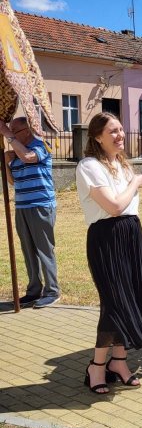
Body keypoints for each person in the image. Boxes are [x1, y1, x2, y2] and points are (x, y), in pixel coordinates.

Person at [75, 112, 142, 394]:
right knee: (114, 304)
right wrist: (137, 182)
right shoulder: (89, 166)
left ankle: (119, 362)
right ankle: (96, 366)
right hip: (106, 239)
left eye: (121, 130)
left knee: (129, 300)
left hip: (130, 236)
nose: (120, 136)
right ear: (97, 137)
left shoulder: (123, 165)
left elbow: (128, 210)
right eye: (112, 132)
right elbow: (114, 206)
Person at [0, 116, 60, 308]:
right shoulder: (16, 152)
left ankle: (52, 291)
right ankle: (34, 290)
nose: (11, 134)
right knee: (28, 250)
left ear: (26, 130)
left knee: (44, 249)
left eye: (14, 131)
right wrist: (5, 163)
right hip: (22, 206)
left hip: (41, 205)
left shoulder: (42, 144)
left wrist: (7, 135)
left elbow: (28, 157)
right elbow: (13, 182)